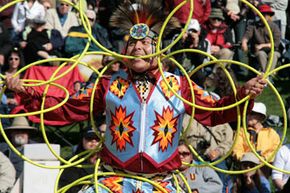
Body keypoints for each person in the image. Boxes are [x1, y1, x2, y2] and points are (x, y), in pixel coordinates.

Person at [6, 0, 267, 192]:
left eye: (145, 43)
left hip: (163, 183)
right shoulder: (107, 84)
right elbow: (66, 106)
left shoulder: (179, 85)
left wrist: (245, 92)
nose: (138, 48)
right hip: (113, 181)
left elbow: (216, 111)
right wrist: (24, 89)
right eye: (132, 43)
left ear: (159, 50)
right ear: (124, 51)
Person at [241, 4, 281, 72]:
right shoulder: (253, 25)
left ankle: (266, 75)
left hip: (273, 50)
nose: (264, 16)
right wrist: (244, 42)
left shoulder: (274, 26)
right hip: (259, 51)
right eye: (262, 14)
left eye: (266, 14)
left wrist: (262, 45)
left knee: (274, 55)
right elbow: (247, 34)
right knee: (261, 54)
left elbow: (276, 43)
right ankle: (266, 76)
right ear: (259, 15)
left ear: (269, 16)